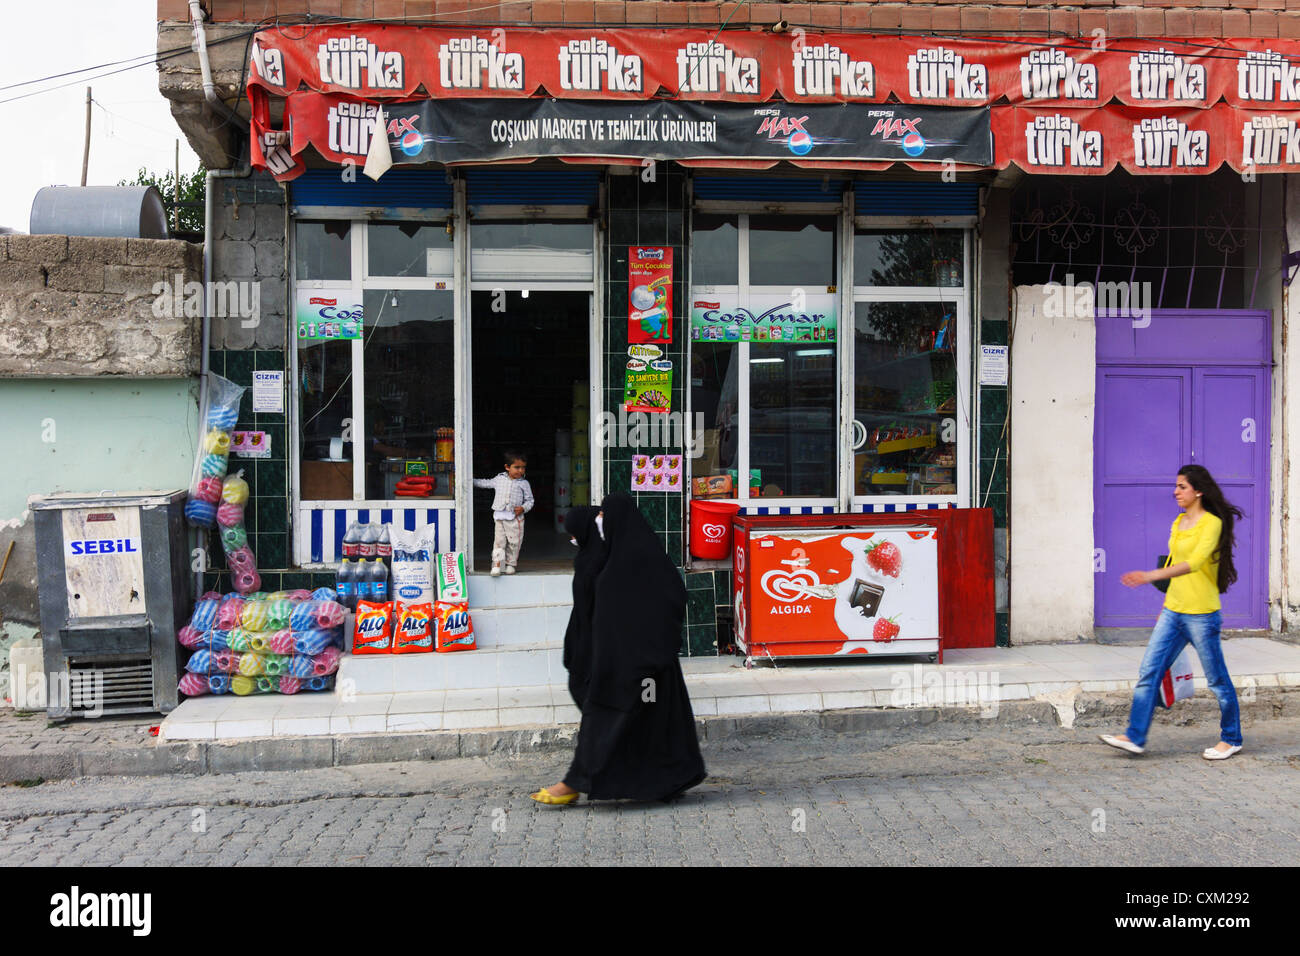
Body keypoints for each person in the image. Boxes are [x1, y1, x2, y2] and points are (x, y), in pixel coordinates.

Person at [531, 494, 707, 805]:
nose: (599, 522)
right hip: (631, 663)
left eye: (604, 516)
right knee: (644, 726)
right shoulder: (615, 560)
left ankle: (575, 782)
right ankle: (661, 783)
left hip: (641, 666)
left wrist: (645, 650)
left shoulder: (638, 563)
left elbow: (668, 604)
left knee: (609, 720)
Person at [1099, 465, 1245, 760]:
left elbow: (1193, 563)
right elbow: (1174, 564)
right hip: (1174, 613)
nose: (1176, 492)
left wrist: (1148, 575)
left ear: (1198, 491)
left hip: (1202, 615)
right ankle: (1135, 736)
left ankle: (1232, 738)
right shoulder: (1178, 521)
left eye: (1182, 487)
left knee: (1217, 680)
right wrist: (1165, 606)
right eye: (1176, 487)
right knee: (1149, 671)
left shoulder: (1212, 523)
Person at [473, 450, 533, 575]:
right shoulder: (499, 479)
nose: (520, 471)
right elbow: (486, 483)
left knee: (514, 542)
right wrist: (470, 481)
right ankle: (497, 565)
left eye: (523, 468)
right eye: (517, 467)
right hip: (500, 516)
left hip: (515, 518)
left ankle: (511, 564)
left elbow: (530, 500)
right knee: (499, 542)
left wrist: (523, 508)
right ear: (507, 467)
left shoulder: (524, 483)